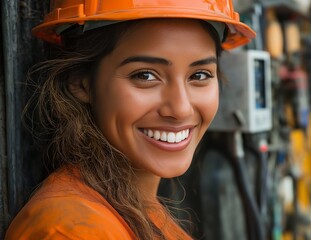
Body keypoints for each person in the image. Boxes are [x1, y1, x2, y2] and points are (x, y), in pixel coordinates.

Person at [5, 1, 255, 239]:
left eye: (199, 74)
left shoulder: (138, 212)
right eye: (145, 75)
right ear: (80, 82)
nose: (180, 109)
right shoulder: (71, 230)